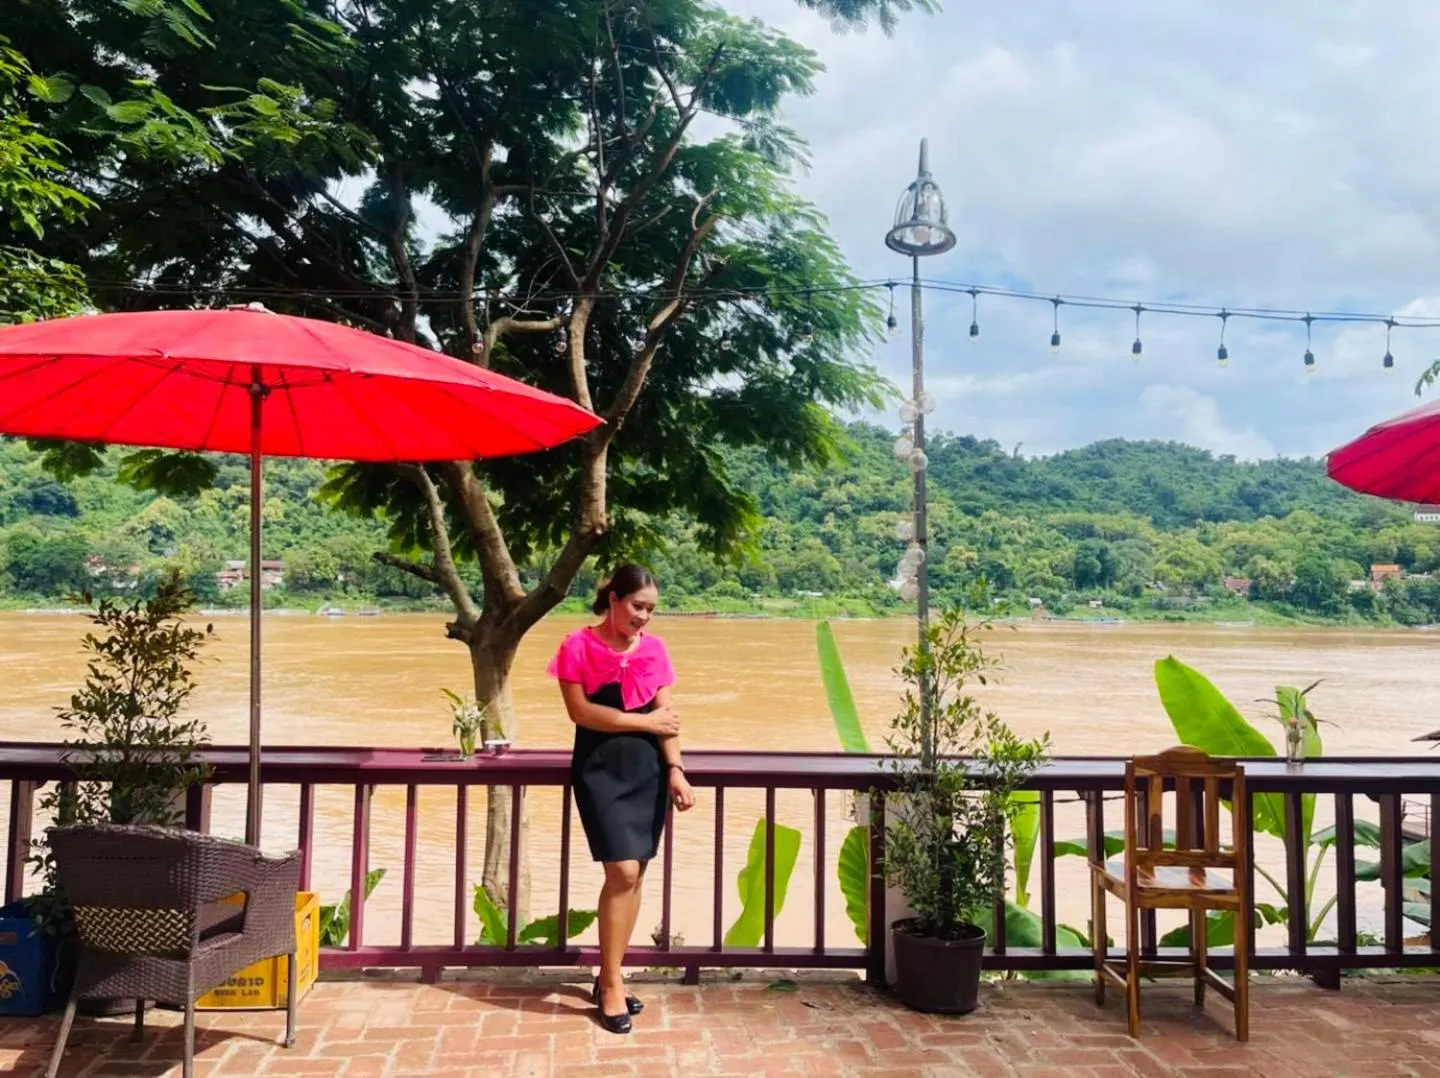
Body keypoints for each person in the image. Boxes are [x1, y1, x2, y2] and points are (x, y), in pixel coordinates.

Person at [547, 564, 696, 1034]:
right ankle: (610, 980)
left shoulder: (655, 650)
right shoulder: (577, 645)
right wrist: (645, 724)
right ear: (612, 598)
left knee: (636, 875)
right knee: (623, 870)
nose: (644, 617)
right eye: (637, 606)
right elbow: (581, 712)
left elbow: (666, 716)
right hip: (599, 770)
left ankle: (610, 974)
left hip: (648, 772)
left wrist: (675, 768)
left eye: (651, 609)